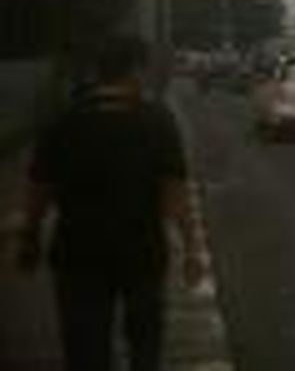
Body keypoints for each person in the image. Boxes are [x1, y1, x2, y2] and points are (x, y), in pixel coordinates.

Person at [16, 35, 206, 371]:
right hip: (142, 252)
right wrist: (191, 248)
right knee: (145, 347)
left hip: (77, 253)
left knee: (85, 350)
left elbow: (38, 188)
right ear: (135, 68)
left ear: (97, 71)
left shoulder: (65, 119)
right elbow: (174, 191)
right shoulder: (156, 120)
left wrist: (29, 237)